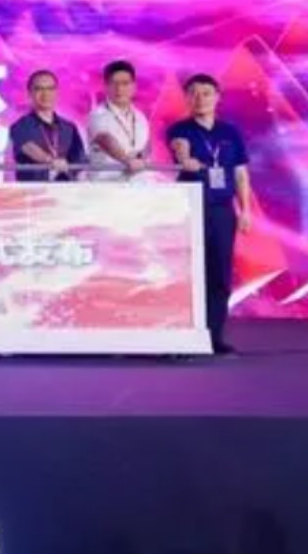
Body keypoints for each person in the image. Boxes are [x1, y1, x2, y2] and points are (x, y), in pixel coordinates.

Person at [168, 74, 253, 355]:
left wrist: (245, 210)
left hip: (221, 211)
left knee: (220, 273)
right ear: (186, 98)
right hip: (189, 210)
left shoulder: (230, 133)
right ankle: (187, 334)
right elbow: (180, 149)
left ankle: (214, 336)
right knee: (190, 271)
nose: (200, 98)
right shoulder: (180, 129)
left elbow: (240, 174)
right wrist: (185, 160)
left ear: (217, 97)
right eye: (193, 93)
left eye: (206, 93)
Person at [9, 69, 86, 181]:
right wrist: (51, 161)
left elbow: (79, 161)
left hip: (65, 188)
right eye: (39, 89)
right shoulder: (20, 126)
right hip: (34, 189)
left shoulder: (69, 128)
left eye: (50, 88)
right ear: (29, 93)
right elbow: (29, 148)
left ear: (57, 92)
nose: (45, 94)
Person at [87, 60, 151, 181]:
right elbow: (105, 139)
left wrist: (142, 158)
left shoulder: (140, 117)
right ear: (105, 86)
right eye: (114, 83)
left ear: (134, 86)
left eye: (125, 83)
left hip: (138, 184)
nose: (119, 89)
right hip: (107, 185)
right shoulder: (97, 115)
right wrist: (127, 161)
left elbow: (146, 145)